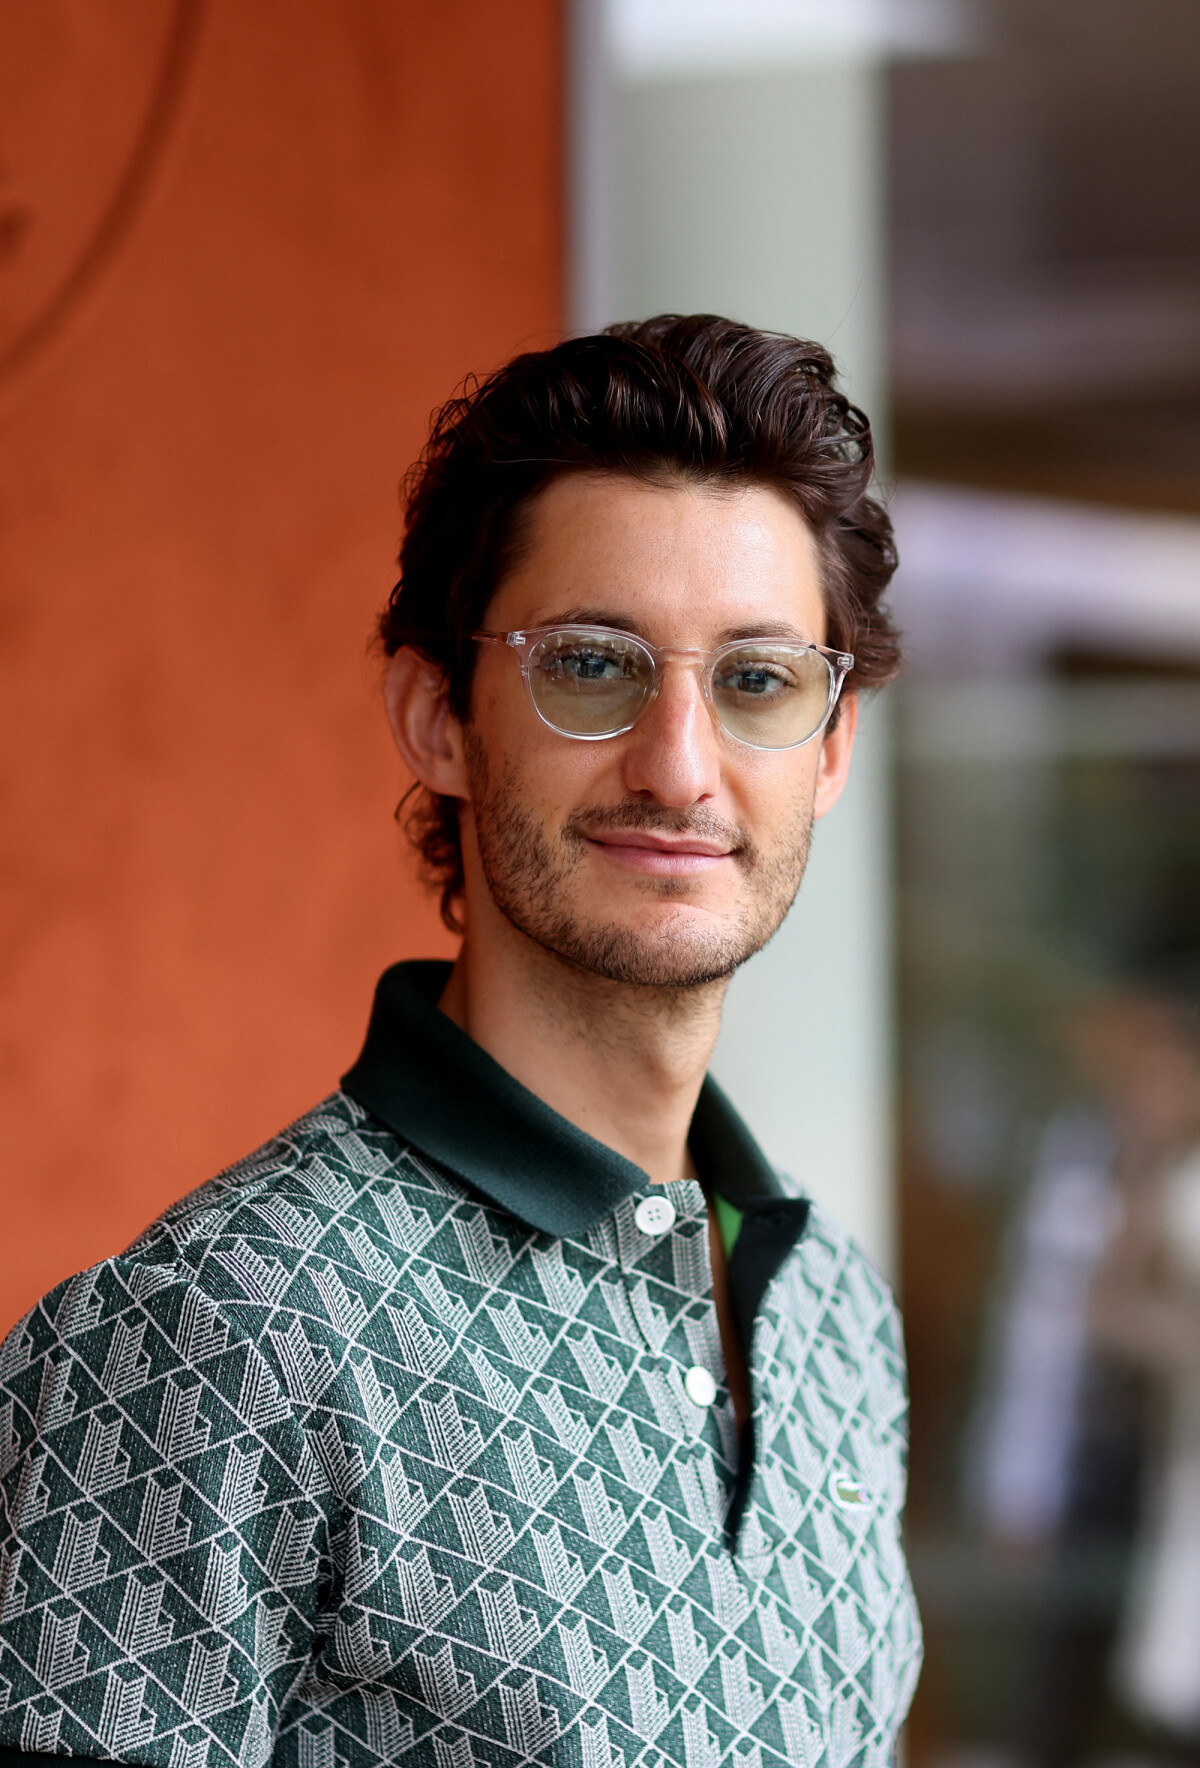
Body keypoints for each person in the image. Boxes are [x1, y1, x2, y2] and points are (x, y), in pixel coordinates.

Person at [0, 315, 921, 1768]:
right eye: (594, 665)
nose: (679, 765)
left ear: (831, 751)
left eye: (755, 680)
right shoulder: (212, 1331)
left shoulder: (836, 1324)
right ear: (439, 716)